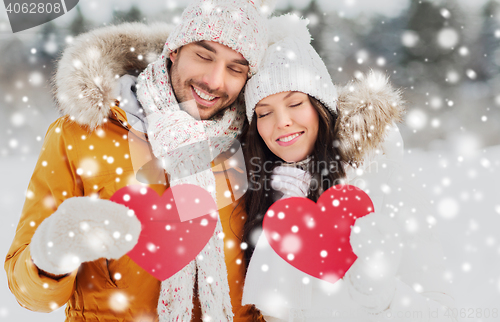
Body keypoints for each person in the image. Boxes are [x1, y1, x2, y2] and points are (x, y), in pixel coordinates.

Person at [4, 0, 275, 320]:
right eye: (204, 55)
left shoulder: (258, 143)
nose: (215, 81)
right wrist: (53, 253)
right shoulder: (81, 135)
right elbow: (30, 294)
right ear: (173, 51)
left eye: (236, 67)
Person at [240, 15, 457, 321]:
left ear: (321, 106)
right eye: (264, 113)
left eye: (295, 103)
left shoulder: (381, 179)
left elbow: (443, 313)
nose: (281, 122)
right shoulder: (260, 193)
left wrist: (382, 297)